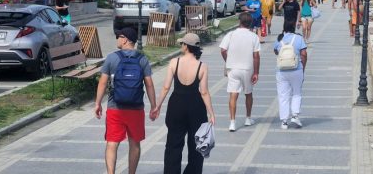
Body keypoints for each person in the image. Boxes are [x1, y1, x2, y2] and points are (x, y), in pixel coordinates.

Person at [95, 27, 157, 174]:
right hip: (136, 109)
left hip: (115, 108)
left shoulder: (112, 58)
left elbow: (103, 82)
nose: (117, 38)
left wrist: (97, 103)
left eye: (119, 36)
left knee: (112, 143)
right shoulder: (142, 59)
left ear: (125, 39)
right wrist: (154, 106)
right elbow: (149, 84)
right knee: (134, 144)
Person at [151, 33, 215, 174]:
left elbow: (166, 87)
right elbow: (204, 92)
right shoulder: (202, 66)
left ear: (186, 46)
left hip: (177, 105)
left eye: (182, 44)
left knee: (173, 144)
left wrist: (158, 106)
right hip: (196, 107)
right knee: (196, 145)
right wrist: (211, 113)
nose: (181, 46)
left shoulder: (175, 62)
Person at [220, 12, 260, 132]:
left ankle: (232, 122)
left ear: (239, 22)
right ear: (250, 23)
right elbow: (256, 56)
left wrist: (228, 61)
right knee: (248, 93)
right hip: (247, 68)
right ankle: (248, 118)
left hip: (233, 68)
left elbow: (223, 50)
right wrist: (256, 72)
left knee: (233, 94)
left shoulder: (231, 35)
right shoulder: (254, 36)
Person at [274, 20, 307, 129]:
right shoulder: (299, 38)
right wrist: (303, 67)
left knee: (283, 96)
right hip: (296, 69)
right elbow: (303, 54)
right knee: (296, 93)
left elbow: (276, 52)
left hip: (282, 71)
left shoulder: (279, 39)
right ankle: (295, 115)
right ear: (294, 28)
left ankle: (284, 121)